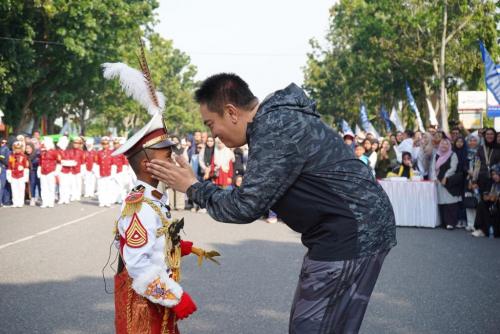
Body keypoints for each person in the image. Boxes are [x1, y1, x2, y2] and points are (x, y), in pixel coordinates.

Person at [147, 73, 396, 333]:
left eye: (211, 124)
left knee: (311, 327)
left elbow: (246, 206)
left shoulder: (275, 127)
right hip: (349, 230)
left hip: (350, 234)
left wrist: (193, 187)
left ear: (231, 112)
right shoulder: (276, 121)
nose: (213, 133)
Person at [103, 60, 220, 333]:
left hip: (154, 298)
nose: (175, 161)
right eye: (167, 157)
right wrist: (176, 298)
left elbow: (156, 239)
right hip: (142, 302)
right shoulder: (140, 207)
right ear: (147, 166)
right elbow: (138, 266)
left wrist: (184, 247)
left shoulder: (154, 198)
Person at [429, 138, 462, 230]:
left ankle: (451, 223)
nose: (444, 146)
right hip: (438, 182)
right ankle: (444, 222)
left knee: (450, 203)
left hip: (448, 182)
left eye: (446, 144)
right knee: (442, 202)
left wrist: (446, 177)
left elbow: (453, 167)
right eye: (442, 144)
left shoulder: (452, 154)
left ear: (449, 145)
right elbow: (432, 168)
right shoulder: (436, 155)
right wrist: (434, 178)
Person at [472, 164, 500, 237]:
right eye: (493, 174)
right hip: (492, 205)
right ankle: (482, 229)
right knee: (482, 204)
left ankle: (495, 231)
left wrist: (496, 198)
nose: (495, 176)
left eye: (497, 174)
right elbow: (485, 194)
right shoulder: (491, 182)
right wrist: (487, 197)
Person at [476, 128, 500, 194]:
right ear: (484, 136)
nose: (489, 136)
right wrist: (474, 180)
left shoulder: (498, 148)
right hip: (482, 179)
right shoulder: (480, 149)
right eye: (487, 134)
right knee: (483, 201)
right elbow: (477, 164)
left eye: (491, 134)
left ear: (495, 135)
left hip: (496, 179)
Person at [38, 137, 59, 208]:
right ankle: (45, 202)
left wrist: (56, 171)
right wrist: (39, 170)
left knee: (51, 187)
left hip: (51, 172)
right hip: (43, 172)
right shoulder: (42, 152)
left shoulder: (54, 152)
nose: (44, 144)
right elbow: (40, 162)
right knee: (43, 187)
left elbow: (59, 162)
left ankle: (50, 202)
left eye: (45, 142)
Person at [7, 141, 29, 208]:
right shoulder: (11, 156)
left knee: (21, 189)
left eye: (19, 148)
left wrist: (25, 175)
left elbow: (26, 167)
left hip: (21, 175)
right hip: (13, 175)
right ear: (14, 149)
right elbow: (9, 166)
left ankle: (20, 202)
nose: (17, 150)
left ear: (21, 149)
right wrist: (9, 175)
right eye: (16, 148)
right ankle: (15, 202)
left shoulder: (24, 156)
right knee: (14, 189)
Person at [95, 136, 115, 207]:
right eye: (103, 143)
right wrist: (97, 173)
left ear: (109, 144)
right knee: (101, 188)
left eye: (106, 143)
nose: (105, 145)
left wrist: (113, 173)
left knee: (108, 188)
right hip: (101, 173)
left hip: (109, 173)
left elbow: (113, 164)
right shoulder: (98, 153)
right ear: (101, 144)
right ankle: (102, 201)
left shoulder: (112, 153)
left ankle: (108, 201)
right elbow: (96, 164)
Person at [57, 136, 74, 205]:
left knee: (67, 184)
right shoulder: (57, 152)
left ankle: (66, 198)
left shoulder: (68, 152)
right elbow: (58, 160)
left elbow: (72, 160)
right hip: (60, 170)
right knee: (61, 185)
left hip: (68, 169)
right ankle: (61, 198)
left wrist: (70, 163)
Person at [70, 137, 85, 201]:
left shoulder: (81, 152)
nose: (75, 144)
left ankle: (78, 195)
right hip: (71, 169)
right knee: (72, 183)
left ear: (79, 144)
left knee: (78, 183)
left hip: (78, 169)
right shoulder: (70, 151)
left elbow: (83, 162)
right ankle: (73, 195)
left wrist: (83, 171)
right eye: (74, 143)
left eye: (77, 143)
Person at [0, 138, 12, 206]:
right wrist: (7, 164)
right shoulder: (4, 149)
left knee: (6, 185)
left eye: (5, 143)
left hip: (7, 169)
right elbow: (2, 158)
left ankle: (6, 201)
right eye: (2, 142)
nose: (4, 144)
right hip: (3, 168)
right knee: (2, 185)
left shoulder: (7, 149)